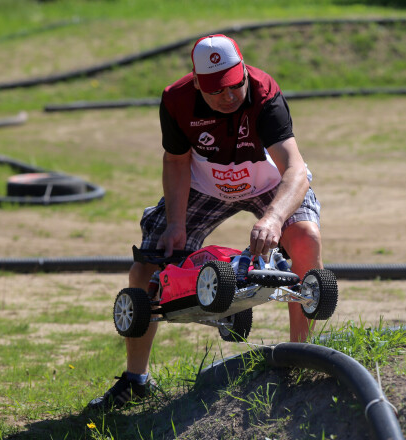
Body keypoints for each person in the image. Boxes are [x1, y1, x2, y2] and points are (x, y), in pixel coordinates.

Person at [87, 34, 324, 412]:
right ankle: (136, 380)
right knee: (147, 266)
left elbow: (295, 169)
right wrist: (176, 224)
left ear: (243, 69)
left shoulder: (264, 94)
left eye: (234, 85)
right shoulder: (177, 99)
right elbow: (176, 161)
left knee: (306, 238)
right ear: (197, 82)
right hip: (206, 185)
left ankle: (301, 359)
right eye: (216, 91)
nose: (228, 96)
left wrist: (274, 218)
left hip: (266, 183)